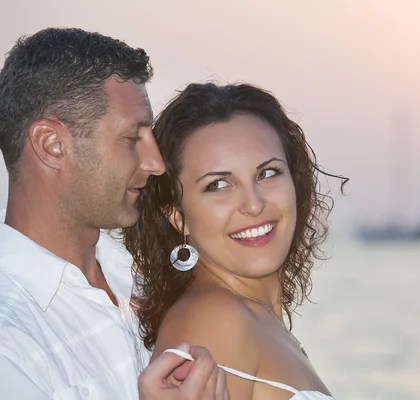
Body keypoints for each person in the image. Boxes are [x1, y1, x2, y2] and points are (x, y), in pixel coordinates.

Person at [0, 27, 228, 399]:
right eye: (131, 138)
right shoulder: (9, 342)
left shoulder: (138, 278)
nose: (156, 164)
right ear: (51, 145)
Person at [123, 82, 347, 399]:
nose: (254, 204)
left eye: (267, 174)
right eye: (218, 185)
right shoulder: (214, 319)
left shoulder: (253, 319)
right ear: (176, 215)